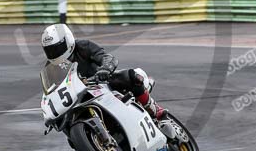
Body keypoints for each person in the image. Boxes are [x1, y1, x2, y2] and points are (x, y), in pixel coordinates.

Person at [40, 23, 169, 120]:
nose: (54, 53)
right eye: (50, 50)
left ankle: (154, 109)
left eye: (57, 48)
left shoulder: (83, 46)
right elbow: (51, 90)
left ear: (67, 40)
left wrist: (105, 69)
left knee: (130, 76)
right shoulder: (51, 66)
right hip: (78, 97)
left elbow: (106, 57)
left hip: (101, 83)